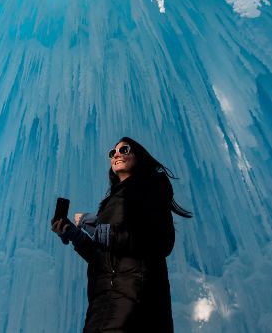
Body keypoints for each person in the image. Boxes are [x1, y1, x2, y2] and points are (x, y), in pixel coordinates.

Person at [51, 136, 192, 332]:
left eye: (124, 150)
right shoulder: (111, 202)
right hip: (103, 305)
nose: (116, 154)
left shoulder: (150, 188)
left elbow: (161, 241)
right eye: (113, 152)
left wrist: (103, 232)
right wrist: (76, 235)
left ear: (138, 156)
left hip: (135, 303)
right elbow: (105, 258)